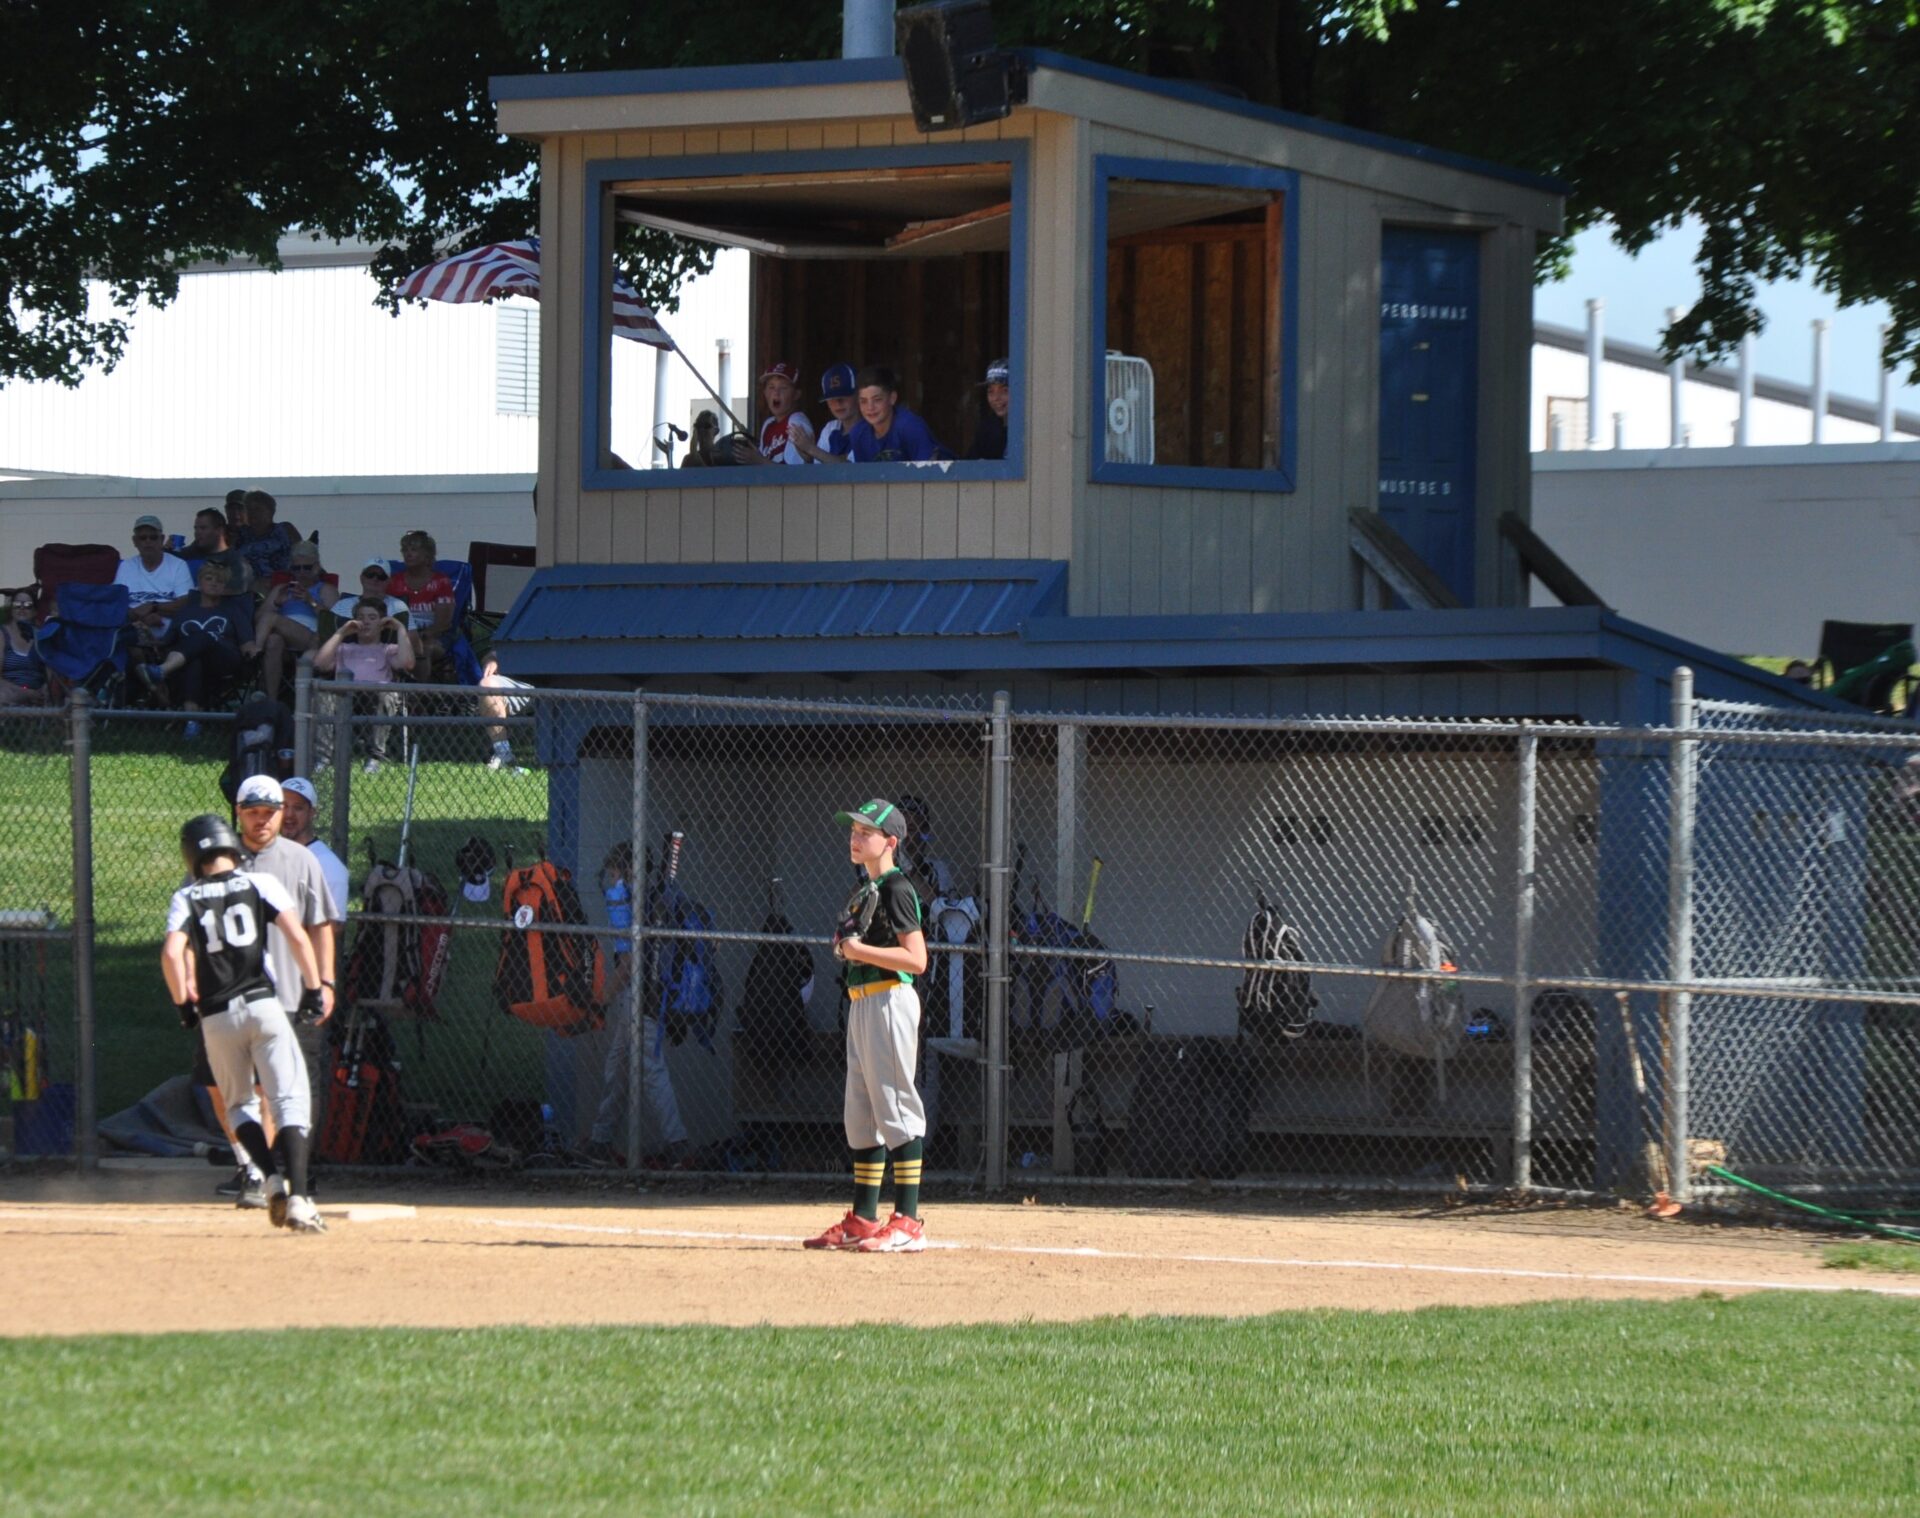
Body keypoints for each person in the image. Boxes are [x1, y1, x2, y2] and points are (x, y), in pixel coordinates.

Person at [161, 812, 328, 1233]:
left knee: (238, 1107)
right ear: (230, 846)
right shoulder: (259, 883)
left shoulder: (189, 896)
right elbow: (295, 933)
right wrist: (313, 988)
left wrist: (183, 1003)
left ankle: (268, 1177)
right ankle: (301, 1200)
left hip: (216, 1016)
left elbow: (170, 953)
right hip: (263, 1005)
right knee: (290, 1099)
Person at [804, 798, 931, 1253]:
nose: (855, 838)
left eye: (866, 832)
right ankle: (862, 1218)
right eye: (854, 830)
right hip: (862, 1003)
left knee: (896, 1108)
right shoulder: (865, 890)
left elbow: (916, 959)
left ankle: (910, 1220)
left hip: (889, 1001)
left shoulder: (897, 887)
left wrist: (858, 952)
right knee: (860, 1116)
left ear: (890, 842)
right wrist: (847, 948)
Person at [232, 775, 339, 1141]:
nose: (282, 816)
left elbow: (324, 926)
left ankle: (299, 1164)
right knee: (247, 1083)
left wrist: (323, 983)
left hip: (295, 992)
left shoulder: (312, 862)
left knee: (296, 1080)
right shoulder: (224, 860)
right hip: (239, 995)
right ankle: (255, 1166)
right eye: (254, 812)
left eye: (295, 808)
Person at [583, 842, 689, 1168]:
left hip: (642, 996)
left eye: (616, 874)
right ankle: (601, 1139)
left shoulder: (631, 902)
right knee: (618, 1068)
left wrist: (601, 998)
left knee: (651, 1069)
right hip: (640, 995)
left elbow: (628, 962)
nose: (612, 882)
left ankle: (678, 1143)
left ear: (628, 873)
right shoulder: (645, 900)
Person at [133, 558, 256, 730]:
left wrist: (253, 656)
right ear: (199, 583)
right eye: (209, 579)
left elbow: (247, 642)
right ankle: (192, 722)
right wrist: (145, 633)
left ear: (225, 587)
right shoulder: (185, 612)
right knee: (193, 660)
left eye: (219, 581)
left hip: (225, 660)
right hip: (189, 663)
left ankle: (161, 671)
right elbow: (166, 641)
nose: (214, 584)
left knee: (202, 637)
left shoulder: (232, 610)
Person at [313, 597, 414, 774]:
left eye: (372, 617)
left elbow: (407, 664)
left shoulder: (387, 649)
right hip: (344, 695)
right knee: (323, 696)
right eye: (361, 617)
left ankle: (375, 758)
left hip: (376, 695)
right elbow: (320, 664)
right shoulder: (343, 648)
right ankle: (323, 759)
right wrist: (341, 633)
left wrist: (400, 628)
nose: (365, 621)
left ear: (383, 624)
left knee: (387, 694)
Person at [254, 541, 342, 702]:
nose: (301, 572)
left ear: (316, 567)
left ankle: (254, 657)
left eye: (306, 567)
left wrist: (312, 602)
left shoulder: (325, 589)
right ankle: (271, 702)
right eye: (296, 568)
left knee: (272, 619)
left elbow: (335, 624)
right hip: (285, 646)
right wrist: (276, 603)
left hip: (312, 640)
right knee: (273, 641)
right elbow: (259, 619)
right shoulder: (281, 588)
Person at [831, 367, 949, 464]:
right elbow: (866, 482)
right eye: (863, 401)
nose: (870, 407)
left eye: (877, 400)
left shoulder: (910, 426)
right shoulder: (858, 433)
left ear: (892, 398)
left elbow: (927, 476)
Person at [115, 514, 196, 646]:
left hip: (171, 634)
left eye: (153, 537)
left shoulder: (178, 565)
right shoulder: (126, 567)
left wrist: (154, 608)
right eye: (142, 538)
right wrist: (141, 619)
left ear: (162, 539)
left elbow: (186, 603)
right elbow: (116, 603)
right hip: (133, 631)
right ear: (135, 541)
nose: (148, 541)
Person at [281, 776, 350, 920]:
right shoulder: (267, 855)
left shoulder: (328, 864)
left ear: (312, 813)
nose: (289, 815)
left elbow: (334, 926)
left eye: (298, 808)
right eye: (283, 806)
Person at [394, 530, 456, 679]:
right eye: (405, 550)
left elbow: (443, 623)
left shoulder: (441, 582)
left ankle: (420, 696)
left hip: (434, 636)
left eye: (414, 550)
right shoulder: (394, 582)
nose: (408, 554)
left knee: (424, 648)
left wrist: (424, 634)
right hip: (400, 634)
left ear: (427, 555)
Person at [731, 361, 814, 466]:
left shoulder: (797, 422)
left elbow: (795, 475)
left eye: (783, 388)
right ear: (764, 392)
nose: (776, 393)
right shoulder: (769, 424)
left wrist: (758, 460)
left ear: (796, 394)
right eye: (771, 387)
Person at [790, 362, 859, 464]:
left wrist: (810, 448)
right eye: (831, 398)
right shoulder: (830, 428)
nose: (838, 402)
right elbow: (819, 469)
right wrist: (806, 454)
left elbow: (850, 469)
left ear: (858, 395)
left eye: (843, 396)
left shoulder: (868, 428)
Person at [479, 651, 532, 773]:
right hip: (525, 684)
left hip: (571, 682)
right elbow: (496, 651)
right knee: (487, 685)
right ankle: (504, 755)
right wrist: (492, 658)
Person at [235, 488, 301, 583]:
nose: (252, 513)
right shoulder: (239, 534)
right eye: (248, 509)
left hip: (284, 585)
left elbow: (303, 556)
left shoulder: (285, 529)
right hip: (249, 588)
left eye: (257, 509)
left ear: (271, 511)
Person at [0, 589, 47, 706]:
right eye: (17, 605)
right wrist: (26, 692)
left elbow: (51, 673)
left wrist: (45, 689)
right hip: (10, 691)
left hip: (38, 693)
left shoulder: (41, 636)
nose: (22, 608)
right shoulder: (2, 634)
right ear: (11, 609)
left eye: (27, 605)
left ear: (35, 611)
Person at [966, 356, 1010, 460]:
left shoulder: (1029, 427)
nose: (996, 398)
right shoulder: (987, 429)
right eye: (991, 391)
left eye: (1004, 391)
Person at [356, 559, 411, 623]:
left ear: (389, 581)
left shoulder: (399, 607)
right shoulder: (344, 605)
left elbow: (411, 633)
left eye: (381, 576)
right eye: (370, 574)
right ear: (361, 578)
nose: (375, 579)